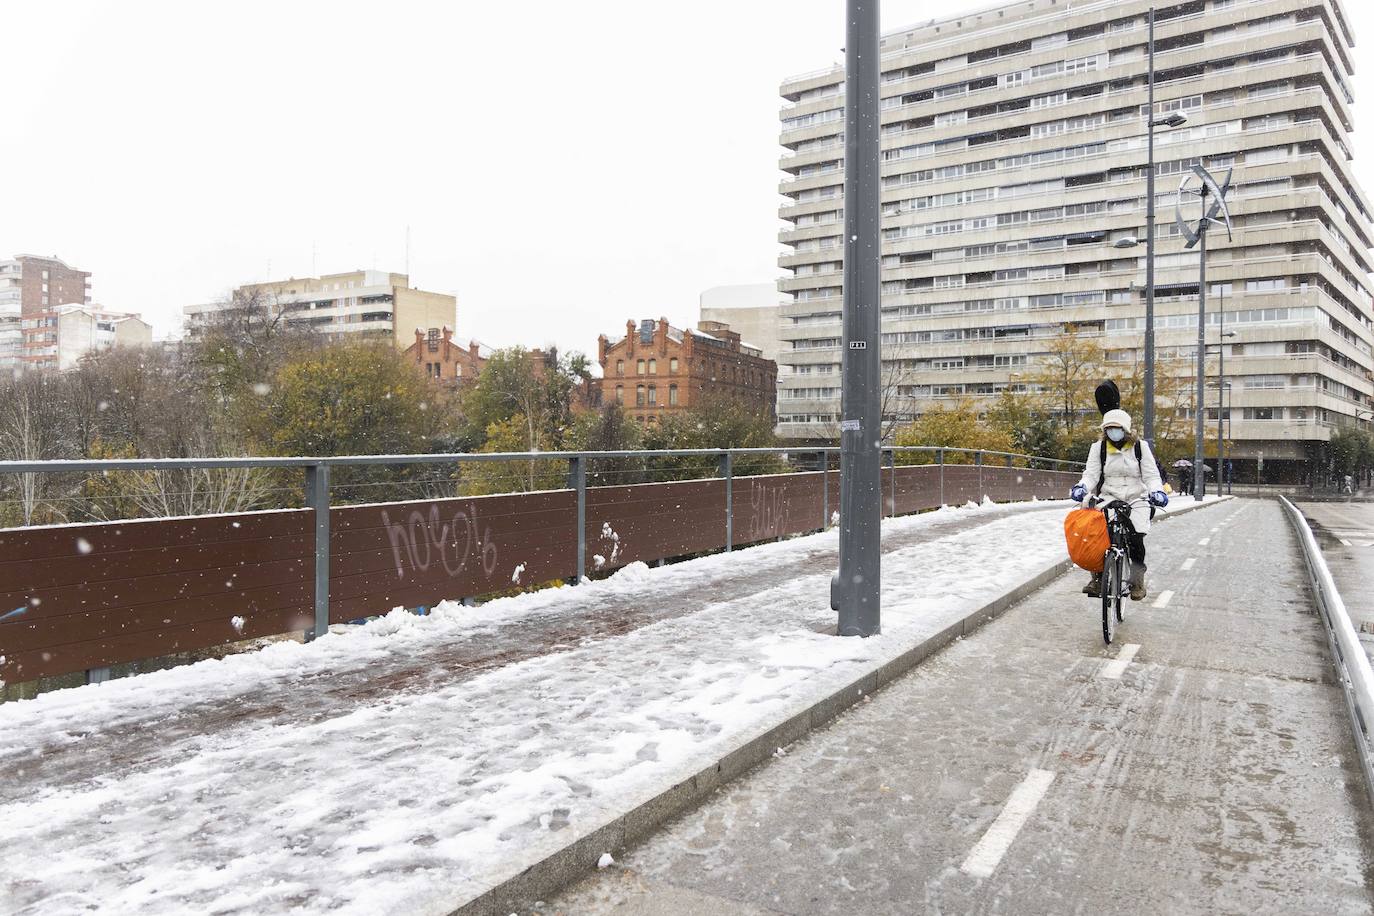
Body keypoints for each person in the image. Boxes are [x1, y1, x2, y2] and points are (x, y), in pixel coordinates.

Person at [1069, 409, 1168, 601]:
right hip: (1109, 496)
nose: (1112, 432)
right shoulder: (1099, 448)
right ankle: (1097, 578)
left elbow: (1151, 475)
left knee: (1136, 536)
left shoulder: (1140, 447)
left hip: (1136, 496)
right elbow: (1091, 474)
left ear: (1126, 429)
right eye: (1109, 429)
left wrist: (1157, 491)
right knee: (1097, 534)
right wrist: (1081, 487)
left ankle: (1137, 579)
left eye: (1116, 428)